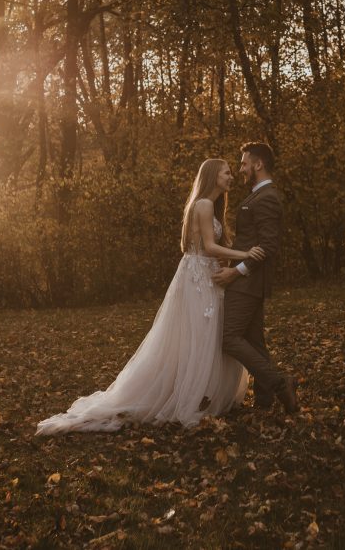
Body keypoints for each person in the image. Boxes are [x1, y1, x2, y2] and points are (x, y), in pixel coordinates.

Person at [36, 158, 264, 434]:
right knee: (199, 336)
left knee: (206, 336)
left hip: (204, 275)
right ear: (214, 175)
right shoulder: (203, 204)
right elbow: (208, 246)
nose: (231, 177)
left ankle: (203, 394)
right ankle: (190, 396)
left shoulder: (210, 207)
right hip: (198, 278)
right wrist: (244, 255)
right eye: (227, 172)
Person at [211, 142, 298, 414]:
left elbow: (269, 247)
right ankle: (264, 399)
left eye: (244, 163)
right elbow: (251, 240)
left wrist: (235, 272)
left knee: (227, 337)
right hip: (247, 280)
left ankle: (280, 382)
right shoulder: (255, 196)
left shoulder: (268, 197)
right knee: (255, 341)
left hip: (247, 282)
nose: (241, 169)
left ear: (258, 164)